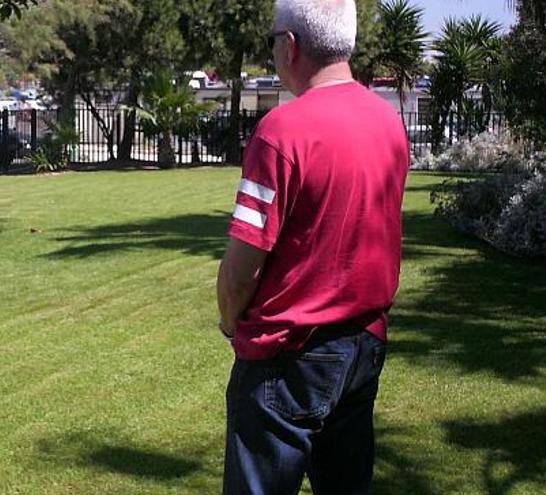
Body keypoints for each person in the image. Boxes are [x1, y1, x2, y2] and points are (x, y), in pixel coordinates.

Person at [216, 0, 410, 493]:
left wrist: (228, 318)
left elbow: (242, 269)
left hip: (287, 356)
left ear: (290, 45)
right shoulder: (388, 123)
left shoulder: (282, 131)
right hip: (363, 344)